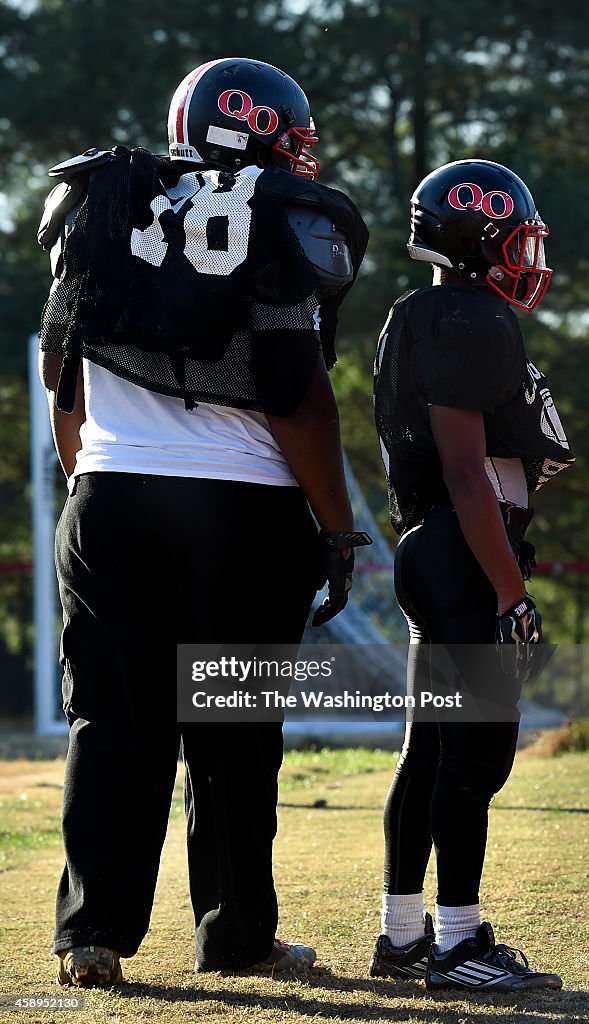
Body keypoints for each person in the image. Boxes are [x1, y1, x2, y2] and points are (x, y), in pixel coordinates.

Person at [37, 57, 369, 987]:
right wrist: (337, 529)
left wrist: (87, 476)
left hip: (107, 494)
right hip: (242, 508)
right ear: (263, 130)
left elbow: (58, 361)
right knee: (231, 733)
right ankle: (234, 935)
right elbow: (297, 398)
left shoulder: (103, 200)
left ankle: (93, 933)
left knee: (110, 719)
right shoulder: (277, 216)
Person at [370, 159, 573, 991]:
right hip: (462, 554)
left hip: (443, 551)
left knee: (430, 753)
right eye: (515, 235)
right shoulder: (466, 317)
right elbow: (466, 474)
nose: (526, 252)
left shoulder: (424, 311)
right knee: (474, 757)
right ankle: (457, 945)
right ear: (478, 234)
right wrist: (510, 592)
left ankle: (403, 934)